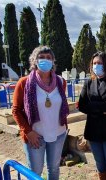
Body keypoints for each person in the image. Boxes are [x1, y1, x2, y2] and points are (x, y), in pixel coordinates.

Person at [12, 46, 69, 180]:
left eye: (48, 58)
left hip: (58, 134)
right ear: (34, 60)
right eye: (41, 57)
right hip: (35, 136)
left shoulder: (61, 82)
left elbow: (60, 106)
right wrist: (28, 131)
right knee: (35, 172)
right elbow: (16, 110)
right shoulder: (24, 82)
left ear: (53, 61)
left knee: (54, 169)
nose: (45, 60)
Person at [78, 51, 106, 180]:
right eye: (94, 63)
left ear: (105, 64)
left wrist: (92, 106)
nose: (96, 65)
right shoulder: (88, 83)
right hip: (93, 130)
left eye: (99, 63)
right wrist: (101, 108)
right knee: (100, 164)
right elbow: (81, 105)